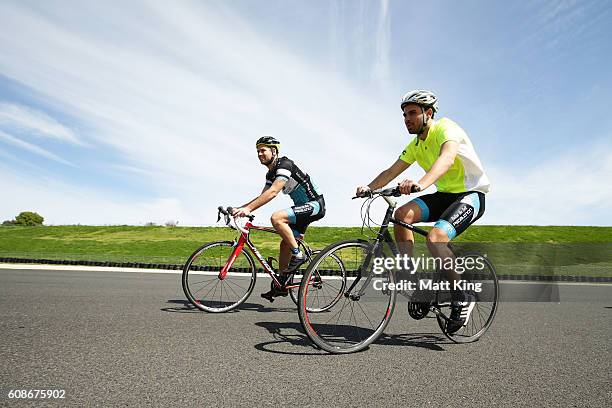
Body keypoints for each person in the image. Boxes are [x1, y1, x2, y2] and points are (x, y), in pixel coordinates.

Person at [355, 90, 491, 333]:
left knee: (435, 239)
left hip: (470, 195)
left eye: (412, 113)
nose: (407, 118)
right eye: (405, 114)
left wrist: (420, 183)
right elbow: (390, 171)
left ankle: (462, 296)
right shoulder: (415, 145)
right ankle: (412, 277)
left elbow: (447, 159)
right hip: (444, 196)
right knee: (401, 215)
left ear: (428, 113)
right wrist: (368, 187)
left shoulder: (446, 129)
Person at [233, 136, 325, 302]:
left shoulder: (285, 164)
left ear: (274, 151)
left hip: (314, 205)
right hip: (301, 210)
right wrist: (241, 208)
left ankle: (298, 255)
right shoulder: (271, 172)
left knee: (277, 218)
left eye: (263, 150)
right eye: (258, 151)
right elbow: (263, 196)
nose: (259, 154)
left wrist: (247, 209)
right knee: (285, 245)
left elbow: (273, 192)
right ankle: (281, 284)